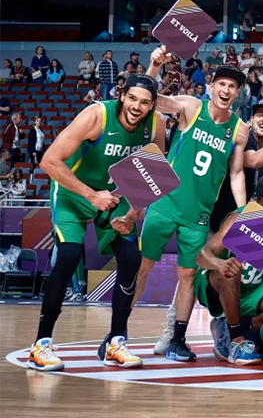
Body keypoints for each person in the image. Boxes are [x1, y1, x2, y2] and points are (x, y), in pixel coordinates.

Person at [28, 75, 165, 371]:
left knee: (131, 259)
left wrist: (133, 214)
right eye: (132, 99)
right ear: (122, 96)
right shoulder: (95, 116)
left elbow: (150, 174)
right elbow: (49, 162)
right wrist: (91, 195)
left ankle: (115, 342)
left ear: (152, 105)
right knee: (68, 257)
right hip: (73, 192)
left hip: (113, 196)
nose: (137, 106)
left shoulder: (156, 125)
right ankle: (41, 345)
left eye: (144, 102)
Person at [137, 50, 249, 362]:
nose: (226, 91)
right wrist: (154, 67)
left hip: (198, 215)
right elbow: (153, 101)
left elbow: (237, 171)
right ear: (211, 86)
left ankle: (178, 339)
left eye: (232, 87)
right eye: (222, 84)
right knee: (142, 266)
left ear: (238, 93)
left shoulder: (239, 129)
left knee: (187, 275)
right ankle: (118, 331)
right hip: (165, 203)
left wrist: (242, 210)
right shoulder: (191, 106)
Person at [195, 174, 263, 365]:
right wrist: (221, 264)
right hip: (215, 284)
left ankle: (232, 327)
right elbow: (203, 255)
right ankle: (236, 339)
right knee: (231, 272)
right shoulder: (241, 217)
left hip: (251, 288)